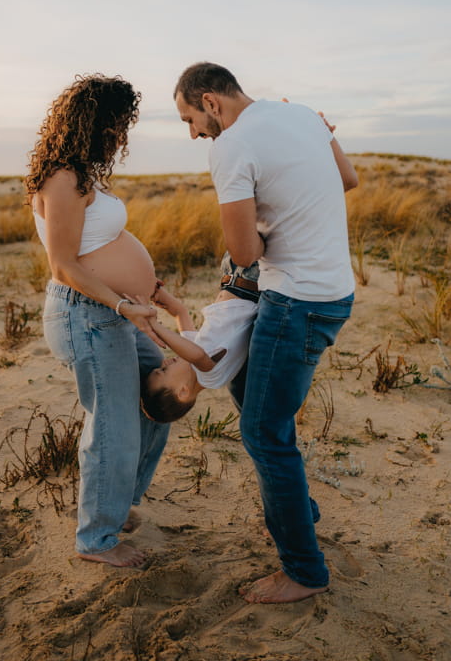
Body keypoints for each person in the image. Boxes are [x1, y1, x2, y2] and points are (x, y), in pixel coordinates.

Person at [173, 62, 359, 604]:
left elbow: (245, 254)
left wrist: (254, 226)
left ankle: (303, 570)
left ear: (211, 102)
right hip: (332, 291)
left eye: (190, 119)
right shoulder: (301, 115)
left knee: (262, 432)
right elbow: (347, 180)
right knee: (246, 389)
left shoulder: (229, 147)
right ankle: (297, 509)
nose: (193, 134)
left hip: (295, 300)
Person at [26, 73, 169, 568]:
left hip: (113, 312)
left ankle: (118, 499)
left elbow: (102, 248)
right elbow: (63, 264)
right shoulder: (62, 178)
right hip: (85, 315)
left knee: (160, 399)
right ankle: (96, 539)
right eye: (117, 124)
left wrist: (150, 291)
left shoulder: (86, 173)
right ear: (94, 122)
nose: (121, 135)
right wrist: (122, 303)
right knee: (113, 424)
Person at [140, 253, 260, 423]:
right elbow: (197, 355)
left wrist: (157, 293)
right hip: (251, 280)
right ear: (183, 391)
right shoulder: (211, 377)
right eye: (163, 371)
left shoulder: (195, 358)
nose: (163, 363)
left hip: (233, 275)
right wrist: (153, 326)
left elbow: (180, 312)